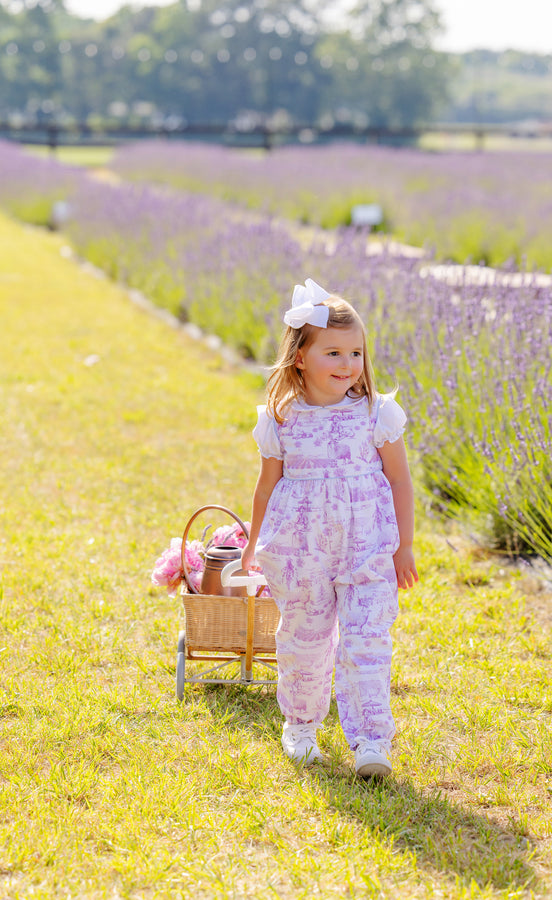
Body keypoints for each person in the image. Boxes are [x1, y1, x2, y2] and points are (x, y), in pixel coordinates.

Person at [241, 278, 418, 777]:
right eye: (334, 353)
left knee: (367, 639)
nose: (348, 365)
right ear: (300, 357)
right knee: (306, 635)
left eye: (356, 353)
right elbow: (265, 488)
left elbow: (400, 481)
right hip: (301, 551)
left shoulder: (376, 414)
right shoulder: (281, 419)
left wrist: (404, 547)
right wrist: (253, 545)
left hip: (366, 547)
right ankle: (299, 726)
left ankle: (370, 742)